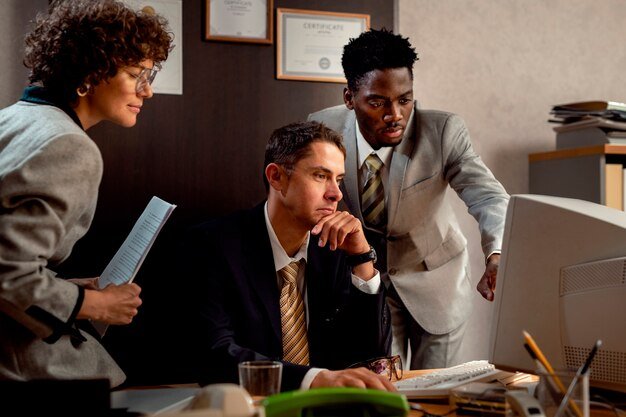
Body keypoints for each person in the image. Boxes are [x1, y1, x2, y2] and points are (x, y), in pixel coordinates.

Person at [308, 28, 510, 370]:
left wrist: (497, 251)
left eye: (405, 99)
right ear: (349, 97)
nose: (396, 114)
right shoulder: (322, 129)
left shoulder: (443, 131)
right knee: (387, 390)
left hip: (437, 283)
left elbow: (488, 196)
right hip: (367, 286)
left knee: (437, 393)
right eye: (378, 102)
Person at [0, 0, 172, 387]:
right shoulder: (70, 145)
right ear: (92, 73)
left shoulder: (12, 118)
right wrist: (95, 304)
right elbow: (7, 273)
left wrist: (69, 289)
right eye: (135, 74)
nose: (148, 92)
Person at [181, 121, 394, 391]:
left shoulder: (338, 247)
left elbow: (373, 358)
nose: (336, 193)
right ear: (276, 177)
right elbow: (216, 354)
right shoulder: (211, 245)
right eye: (320, 175)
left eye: (338, 179)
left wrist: (362, 259)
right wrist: (312, 380)